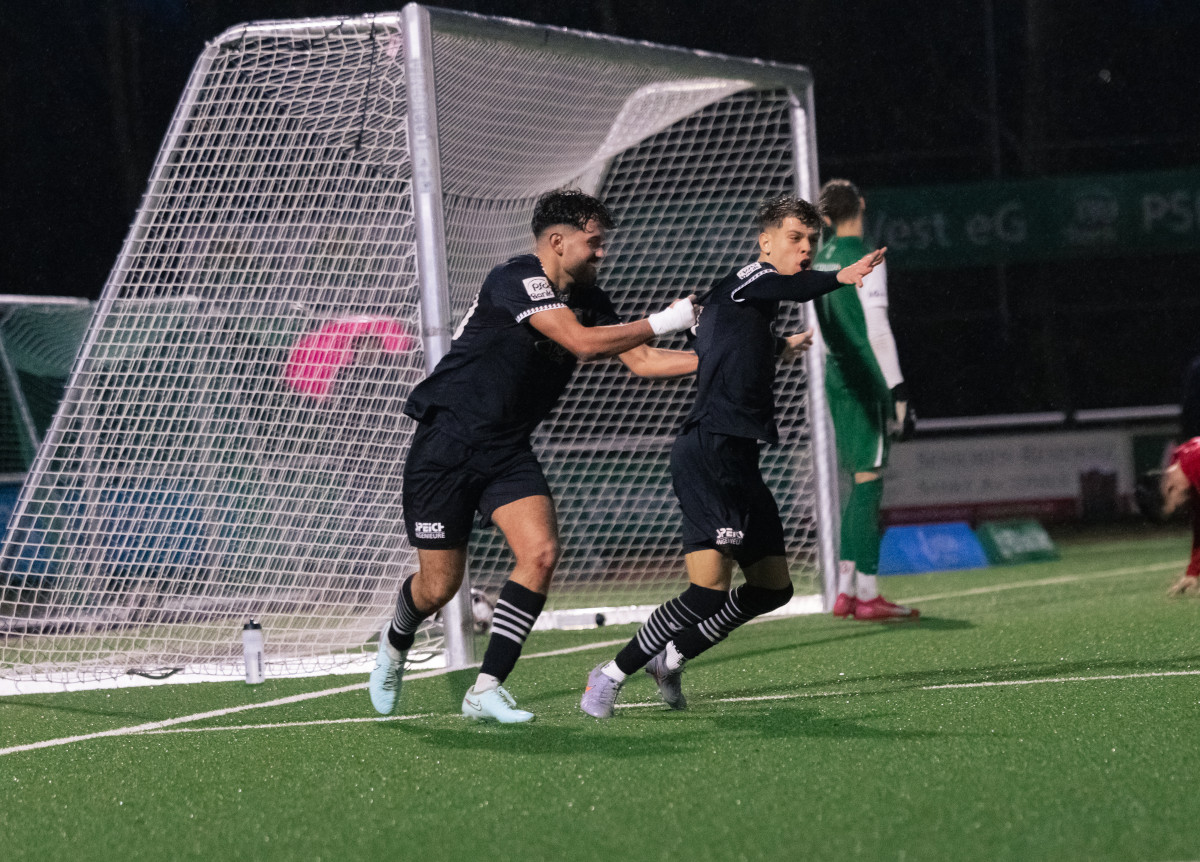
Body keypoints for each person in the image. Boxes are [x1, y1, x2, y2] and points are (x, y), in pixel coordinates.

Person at [370, 188, 700, 723]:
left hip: (505, 450)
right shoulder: (515, 278)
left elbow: (639, 359)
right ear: (557, 241)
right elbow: (583, 344)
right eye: (593, 244)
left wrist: (718, 362)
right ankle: (395, 639)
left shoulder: (591, 299)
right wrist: (669, 318)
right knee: (438, 587)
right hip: (446, 443)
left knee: (542, 553)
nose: (601, 254)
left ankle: (485, 688)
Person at [580, 192, 885, 718]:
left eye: (811, 240)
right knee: (708, 593)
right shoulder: (754, 279)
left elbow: (726, 343)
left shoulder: (743, 300)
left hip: (738, 459)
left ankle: (671, 657)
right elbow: (791, 284)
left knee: (773, 589)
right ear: (765, 243)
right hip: (708, 453)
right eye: (795, 238)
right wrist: (839, 275)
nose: (806, 248)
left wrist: (778, 348)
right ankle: (608, 675)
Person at [812, 178, 918, 621]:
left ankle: (845, 589)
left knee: (858, 482)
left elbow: (820, 333)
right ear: (862, 204)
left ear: (824, 218)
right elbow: (875, 327)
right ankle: (869, 594)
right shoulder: (864, 255)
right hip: (864, 377)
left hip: (833, 375)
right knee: (870, 482)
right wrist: (896, 389)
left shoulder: (819, 259)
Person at [1135, 437, 1200, 596]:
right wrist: (1193, 572)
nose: (1180, 506)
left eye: (1175, 505)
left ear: (1170, 488)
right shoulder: (1184, 463)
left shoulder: (1197, 465)